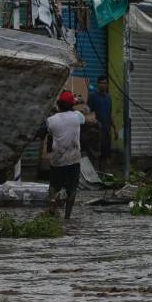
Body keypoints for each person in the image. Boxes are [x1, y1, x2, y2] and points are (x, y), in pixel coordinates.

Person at [44, 90, 86, 220]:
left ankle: (52, 201)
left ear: (59, 105)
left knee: (54, 184)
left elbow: (49, 132)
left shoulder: (51, 120)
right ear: (71, 105)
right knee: (72, 189)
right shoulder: (77, 116)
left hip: (57, 159)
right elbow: (84, 120)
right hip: (73, 158)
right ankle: (67, 217)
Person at [90, 75, 114, 165]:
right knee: (95, 154)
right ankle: (95, 175)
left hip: (106, 130)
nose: (103, 85)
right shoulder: (92, 96)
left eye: (105, 83)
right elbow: (89, 114)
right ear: (98, 84)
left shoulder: (109, 98)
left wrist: (114, 128)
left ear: (107, 85)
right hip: (96, 131)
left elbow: (110, 114)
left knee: (105, 154)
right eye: (101, 83)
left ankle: (103, 174)